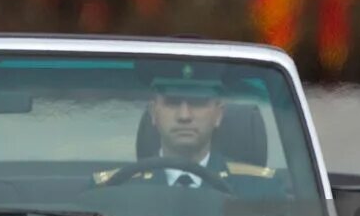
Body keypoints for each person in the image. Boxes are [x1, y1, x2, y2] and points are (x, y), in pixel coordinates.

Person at [92, 62, 284, 198]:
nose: (184, 115)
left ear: (218, 114)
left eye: (198, 102)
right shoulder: (116, 190)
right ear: (153, 112)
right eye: (172, 102)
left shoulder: (260, 193)